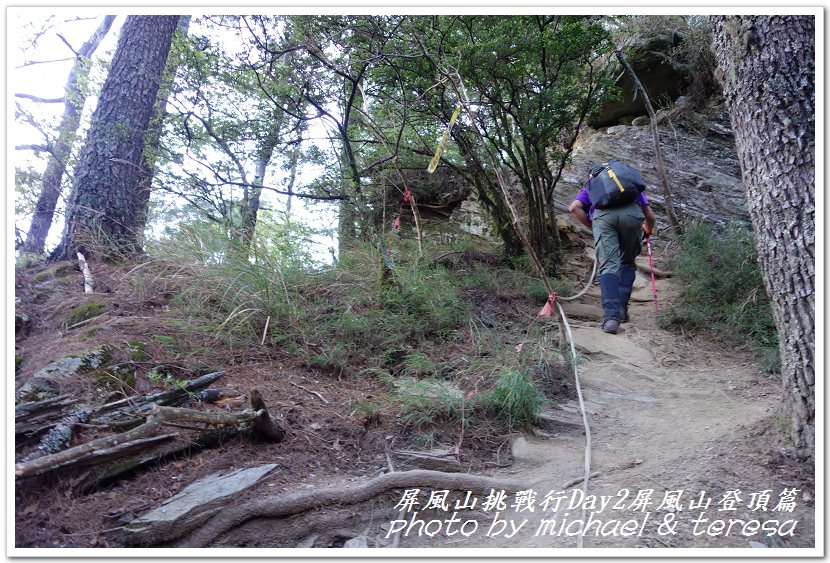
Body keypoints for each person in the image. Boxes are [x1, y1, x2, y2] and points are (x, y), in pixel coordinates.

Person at [569, 168, 657, 334]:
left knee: (608, 265)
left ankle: (611, 318)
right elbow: (650, 217)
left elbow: (574, 208)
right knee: (628, 262)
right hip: (632, 217)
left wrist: (594, 226)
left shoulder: (592, 184)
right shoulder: (629, 184)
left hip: (603, 219)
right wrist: (647, 231)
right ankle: (622, 309)